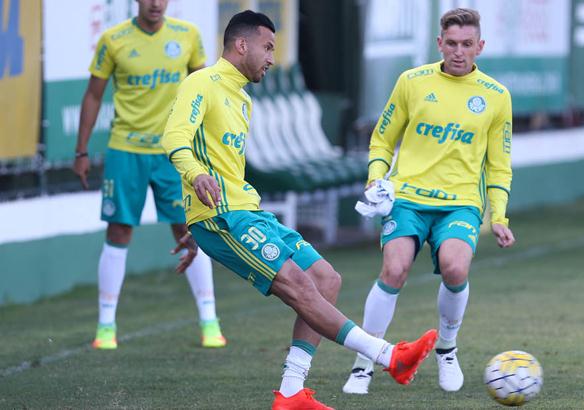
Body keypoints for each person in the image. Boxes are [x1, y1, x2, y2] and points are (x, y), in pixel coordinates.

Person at [162, 10, 438, 409]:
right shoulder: (202, 82)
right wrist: (198, 188)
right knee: (299, 285)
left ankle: (291, 391)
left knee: (326, 279)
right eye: (267, 47)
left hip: (243, 212)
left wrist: (197, 224)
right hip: (223, 217)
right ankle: (389, 356)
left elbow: (221, 164)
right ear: (241, 44)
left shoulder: (242, 97)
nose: (272, 58)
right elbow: (175, 138)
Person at [342, 7, 516, 395]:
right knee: (394, 269)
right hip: (408, 197)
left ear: (480, 46)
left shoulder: (496, 96)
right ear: (439, 43)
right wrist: (376, 180)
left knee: (455, 268)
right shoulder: (412, 82)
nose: (458, 51)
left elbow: (499, 164)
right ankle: (364, 362)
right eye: (451, 43)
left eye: (467, 44)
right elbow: (382, 139)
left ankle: (447, 349)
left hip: (460, 202)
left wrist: (499, 216)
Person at [73, 0, 226, 350]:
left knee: (189, 228)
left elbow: (204, 92)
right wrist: (81, 151)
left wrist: (208, 147)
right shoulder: (113, 40)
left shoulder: (187, 36)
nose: (156, 3)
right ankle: (106, 326)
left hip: (174, 152)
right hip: (126, 149)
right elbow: (93, 96)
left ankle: (210, 320)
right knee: (119, 229)